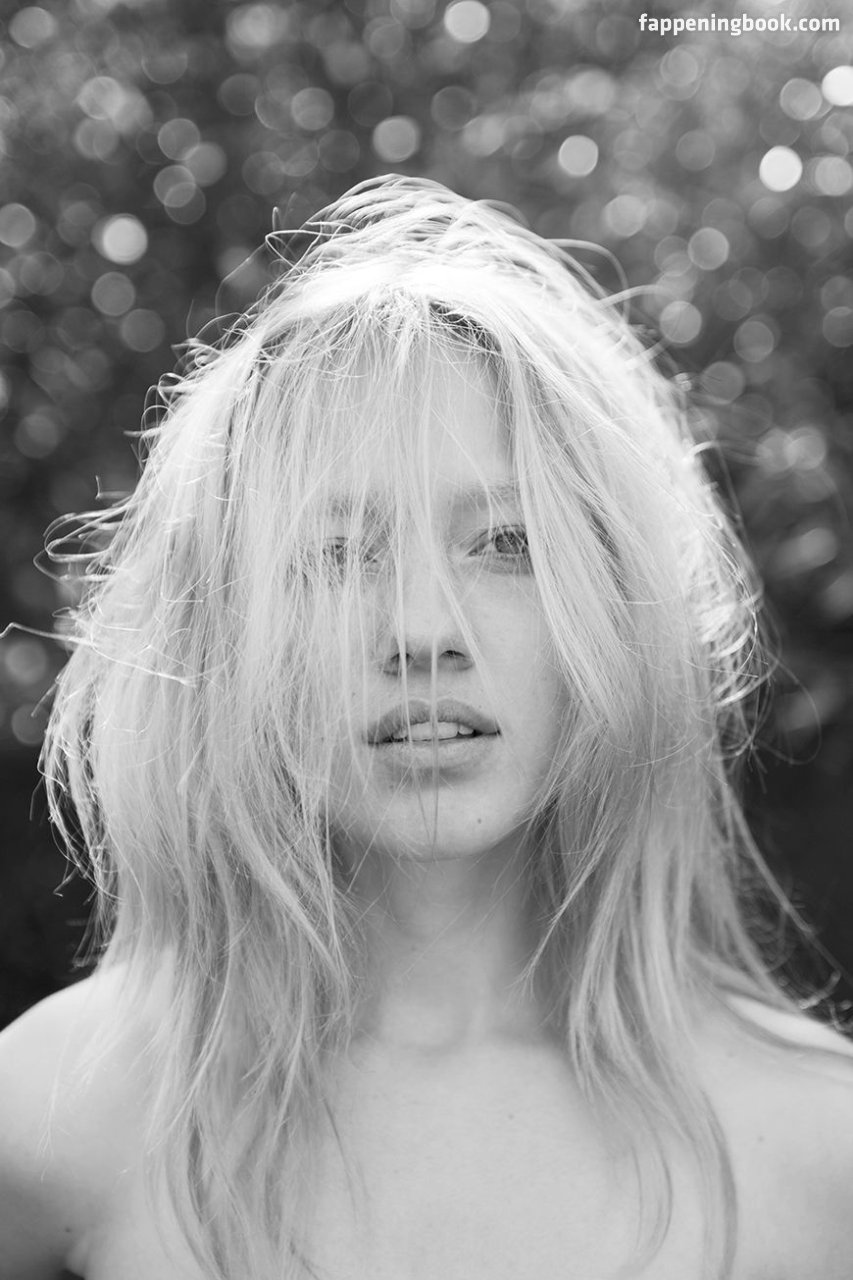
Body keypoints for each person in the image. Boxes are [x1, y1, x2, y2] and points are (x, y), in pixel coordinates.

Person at [0, 175, 852, 1280]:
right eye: (335, 552)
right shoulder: (53, 1121)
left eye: (505, 543)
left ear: (621, 603)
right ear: (219, 630)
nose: (420, 631)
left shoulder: (815, 1152)